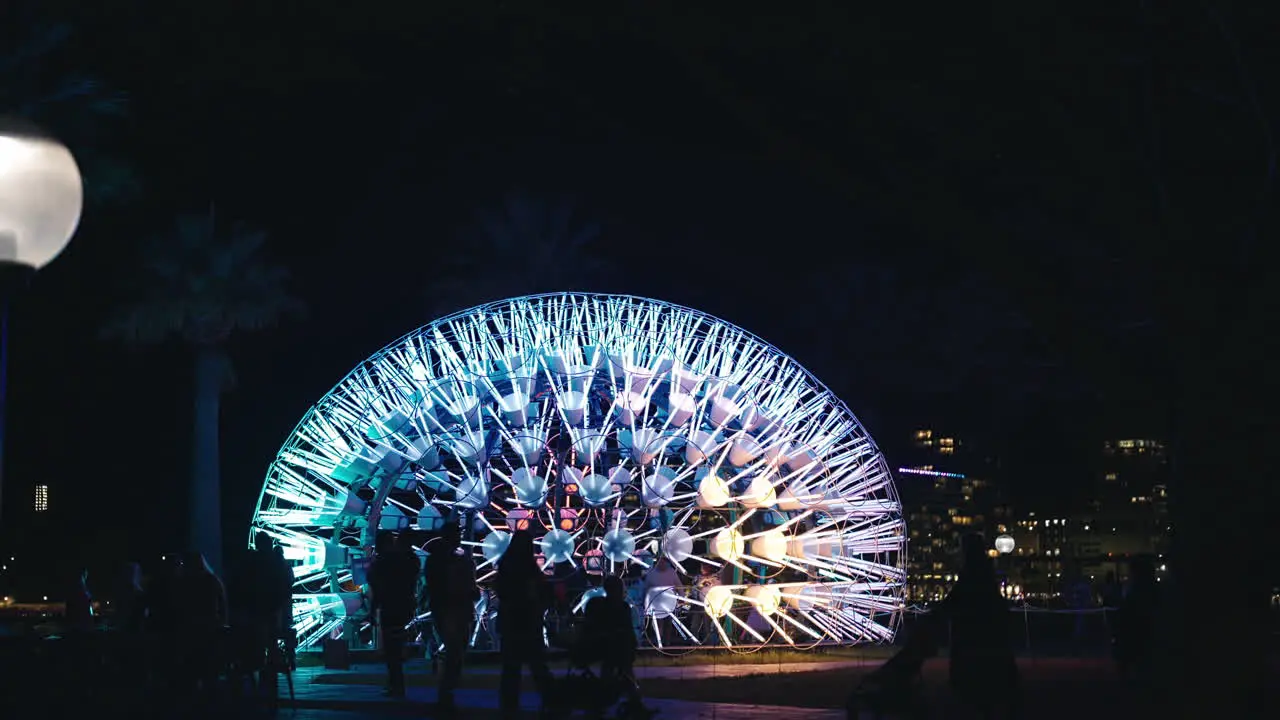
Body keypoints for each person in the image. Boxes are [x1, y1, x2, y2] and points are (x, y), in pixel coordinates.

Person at [938, 533, 1018, 718]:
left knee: (973, 691)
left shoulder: (970, 576)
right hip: (989, 641)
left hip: (971, 643)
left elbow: (952, 603)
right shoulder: (984, 574)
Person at [495, 530, 555, 718]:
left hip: (512, 622)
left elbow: (501, 591)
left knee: (512, 668)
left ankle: (509, 704)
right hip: (528, 621)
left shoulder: (507, 565)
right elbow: (543, 592)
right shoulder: (529, 568)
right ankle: (550, 700)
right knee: (538, 666)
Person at [425, 522, 478, 713]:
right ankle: (446, 692)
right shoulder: (455, 561)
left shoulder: (436, 560)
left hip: (447, 608)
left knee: (454, 650)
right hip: (453, 608)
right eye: (457, 533)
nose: (460, 537)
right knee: (455, 650)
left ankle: (446, 692)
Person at [369, 531, 421, 698]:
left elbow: (377, 588)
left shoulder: (383, 563)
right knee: (396, 647)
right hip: (403, 607)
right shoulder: (407, 560)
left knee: (392, 649)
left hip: (389, 608)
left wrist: (372, 610)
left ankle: (395, 684)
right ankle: (397, 684)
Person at [582, 575, 642, 714]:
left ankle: (606, 699)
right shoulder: (621, 607)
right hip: (614, 647)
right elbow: (627, 630)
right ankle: (634, 701)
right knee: (625, 670)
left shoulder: (597, 604)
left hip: (604, 646)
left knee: (612, 669)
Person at [1113, 555, 1160, 688]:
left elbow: (1126, 618)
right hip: (1147, 640)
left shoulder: (1135, 593)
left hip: (1138, 638)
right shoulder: (1154, 591)